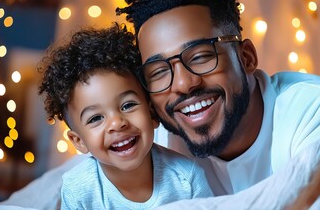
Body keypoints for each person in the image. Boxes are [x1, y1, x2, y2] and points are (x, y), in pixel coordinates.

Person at [116, 0, 320, 198]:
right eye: (159, 71)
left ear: (246, 57)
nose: (183, 84)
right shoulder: (152, 143)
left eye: (201, 56)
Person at [37, 23, 213, 209]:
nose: (116, 123)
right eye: (96, 118)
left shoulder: (187, 178)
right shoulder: (78, 189)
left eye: (127, 105)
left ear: (152, 113)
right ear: (79, 140)